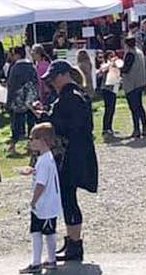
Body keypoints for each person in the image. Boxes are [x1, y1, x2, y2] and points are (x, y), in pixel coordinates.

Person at [30, 61, 97, 263]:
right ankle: (71, 241)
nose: (51, 83)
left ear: (64, 75)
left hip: (72, 153)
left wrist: (44, 117)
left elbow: (66, 126)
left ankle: (75, 244)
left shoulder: (71, 97)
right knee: (67, 197)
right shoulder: (74, 95)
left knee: (68, 197)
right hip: (76, 152)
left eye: (53, 78)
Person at [17, 123, 62, 274]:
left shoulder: (43, 161)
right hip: (47, 204)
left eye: (32, 139)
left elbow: (41, 184)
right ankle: (47, 260)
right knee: (43, 231)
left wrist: (33, 200)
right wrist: (32, 171)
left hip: (44, 204)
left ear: (42, 140)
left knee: (42, 233)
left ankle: (40, 261)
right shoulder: (46, 158)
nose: (30, 142)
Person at [5, 46, 38, 150]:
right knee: (31, 121)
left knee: (17, 122)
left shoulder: (15, 68)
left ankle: (13, 144)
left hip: (18, 99)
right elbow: (36, 81)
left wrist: (8, 101)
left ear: (18, 55)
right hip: (31, 97)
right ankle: (31, 143)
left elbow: (11, 85)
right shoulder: (32, 66)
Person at [121, 36, 146, 138]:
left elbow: (126, 69)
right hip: (140, 82)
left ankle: (136, 129)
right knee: (140, 107)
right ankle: (145, 127)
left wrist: (117, 67)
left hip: (132, 84)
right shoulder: (140, 52)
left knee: (134, 108)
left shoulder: (130, 54)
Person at [98, 52, 121, 137]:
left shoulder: (115, 66)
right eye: (111, 56)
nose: (113, 57)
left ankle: (109, 127)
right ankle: (105, 129)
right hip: (106, 89)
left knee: (112, 109)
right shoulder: (105, 65)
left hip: (113, 89)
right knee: (108, 109)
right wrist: (111, 63)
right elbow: (102, 70)